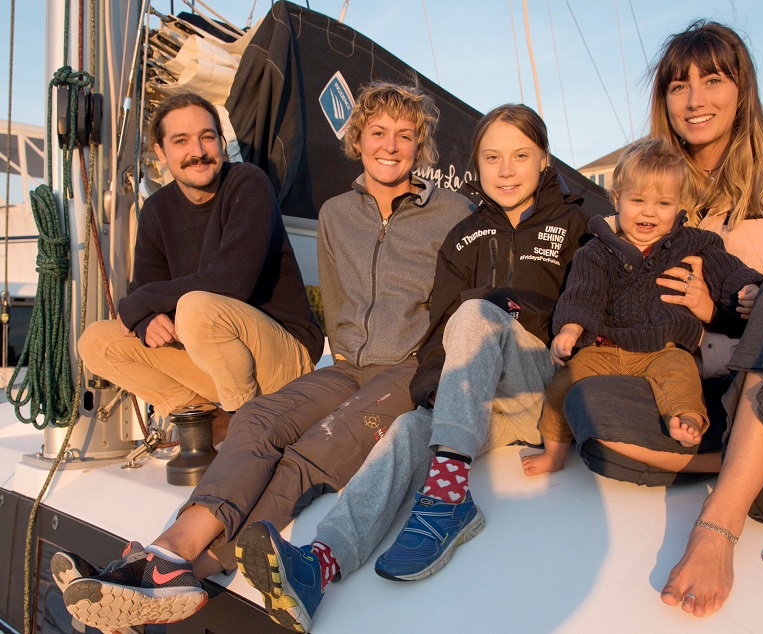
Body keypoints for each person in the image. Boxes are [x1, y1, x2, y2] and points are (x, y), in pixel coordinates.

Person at [58, 82, 471, 632]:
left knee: (318, 446)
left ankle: (196, 568)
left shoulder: (452, 213)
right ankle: (165, 552)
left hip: (411, 367)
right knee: (255, 417)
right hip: (348, 364)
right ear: (358, 140)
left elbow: (466, 303)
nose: (390, 146)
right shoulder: (336, 214)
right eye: (378, 133)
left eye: (405, 135)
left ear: (422, 147)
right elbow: (343, 303)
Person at [230, 104, 590, 633]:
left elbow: (600, 300)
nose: (507, 169)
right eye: (492, 157)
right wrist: (430, 393)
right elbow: (442, 329)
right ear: (477, 165)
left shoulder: (578, 225)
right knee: (406, 429)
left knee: (476, 311)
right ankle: (319, 563)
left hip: (546, 382)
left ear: (544, 161)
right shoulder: (465, 236)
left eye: (520, 156)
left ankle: (446, 498)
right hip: (490, 403)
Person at [560, 21, 763, 618]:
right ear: (664, 100)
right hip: (712, 391)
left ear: (742, 88)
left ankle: (719, 522)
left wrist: (719, 312)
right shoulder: (654, 188)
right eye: (679, 86)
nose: (695, 100)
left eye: (712, 79)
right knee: (591, 414)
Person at [77, 92, 324, 442]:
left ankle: (247, 431)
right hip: (211, 356)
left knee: (196, 307)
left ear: (221, 143)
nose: (198, 151)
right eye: (181, 141)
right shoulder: (157, 211)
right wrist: (148, 319)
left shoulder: (248, 183)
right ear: (161, 153)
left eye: (207, 137)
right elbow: (145, 287)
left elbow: (232, 281)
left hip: (284, 358)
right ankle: (207, 421)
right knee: (96, 341)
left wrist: (142, 300)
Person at [522, 137, 763, 477]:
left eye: (663, 203)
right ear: (617, 197)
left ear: (680, 205)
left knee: (681, 376)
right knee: (563, 384)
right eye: (638, 200)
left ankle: (687, 419)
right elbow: (583, 292)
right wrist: (571, 327)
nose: (649, 211)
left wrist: (747, 288)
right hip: (606, 348)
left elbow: (726, 270)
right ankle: (554, 453)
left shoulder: (691, 242)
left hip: (663, 348)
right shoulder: (598, 251)